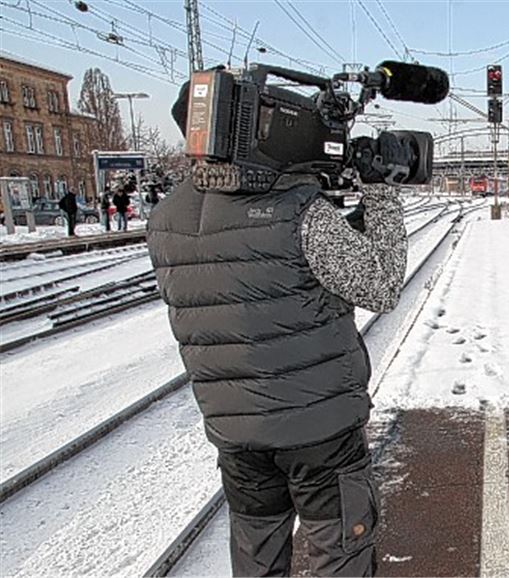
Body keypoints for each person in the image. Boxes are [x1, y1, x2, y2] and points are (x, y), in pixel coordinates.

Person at [147, 91, 408, 576]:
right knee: (340, 557)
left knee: (257, 562)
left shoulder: (165, 219)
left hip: (236, 434)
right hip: (319, 431)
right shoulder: (299, 211)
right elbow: (382, 282)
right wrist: (381, 192)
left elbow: (258, 268)